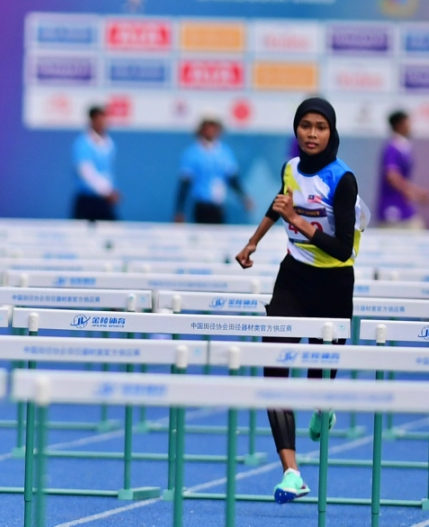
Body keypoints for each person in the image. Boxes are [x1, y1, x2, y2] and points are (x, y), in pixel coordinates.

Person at [234, 97, 369, 505]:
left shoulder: (342, 179)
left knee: (319, 379)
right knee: (273, 368)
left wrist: (298, 221)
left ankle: (322, 404)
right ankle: (291, 472)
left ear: (331, 132)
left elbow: (343, 249)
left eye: (320, 127)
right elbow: (281, 203)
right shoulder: (290, 168)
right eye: (305, 126)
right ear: (297, 130)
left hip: (332, 284)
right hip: (292, 278)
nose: (311, 134)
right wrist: (253, 242)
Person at [174, 117, 253, 224]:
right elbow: (185, 185)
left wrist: (244, 197)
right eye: (207, 127)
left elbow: (233, 180)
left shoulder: (225, 152)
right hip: (201, 206)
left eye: (214, 127)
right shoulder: (192, 153)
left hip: (219, 206)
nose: (211, 130)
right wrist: (179, 210)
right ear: (201, 130)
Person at [377, 110, 427, 228]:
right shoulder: (393, 148)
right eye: (408, 123)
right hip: (392, 207)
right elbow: (392, 176)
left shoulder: (404, 147)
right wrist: (417, 193)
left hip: (404, 206)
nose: (411, 126)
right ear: (399, 125)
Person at [71, 105, 118, 221]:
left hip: (104, 201)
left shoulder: (109, 144)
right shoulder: (82, 143)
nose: (102, 123)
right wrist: (106, 191)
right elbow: (85, 171)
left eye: (104, 120)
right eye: (98, 120)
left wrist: (109, 191)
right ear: (91, 121)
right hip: (87, 201)